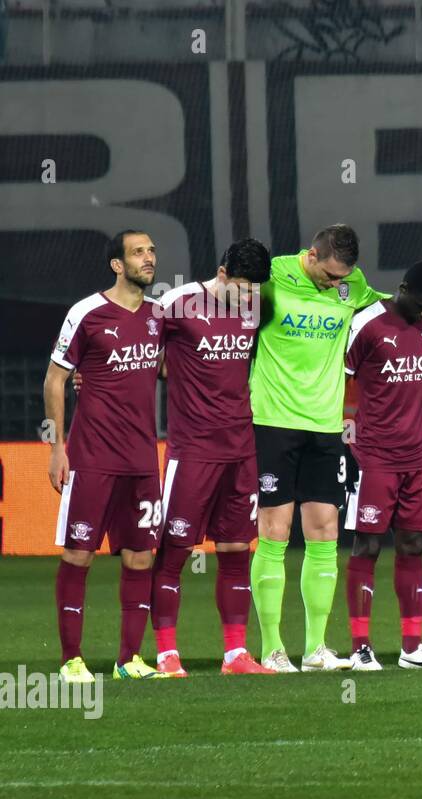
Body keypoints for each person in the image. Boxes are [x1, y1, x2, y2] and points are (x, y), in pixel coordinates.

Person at [248, 224, 386, 673]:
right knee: (274, 530)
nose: (334, 284)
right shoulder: (270, 275)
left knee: (325, 531)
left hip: (325, 428)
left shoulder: (353, 285)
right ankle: (271, 649)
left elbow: (386, 311)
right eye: (328, 275)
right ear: (311, 255)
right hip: (272, 422)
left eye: (340, 278)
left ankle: (315, 649)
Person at [44, 229, 169, 682]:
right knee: (79, 554)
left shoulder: (160, 317)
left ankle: (128, 659)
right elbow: (55, 379)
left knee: (141, 556)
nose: (149, 258)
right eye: (138, 252)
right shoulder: (87, 312)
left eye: (151, 251)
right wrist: (57, 446)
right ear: (117, 264)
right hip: (92, 457)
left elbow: (169, 369)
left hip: (141, 460)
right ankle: (70, 659)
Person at [150, 239, 277, 676]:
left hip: (241, 449)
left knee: (237, 548)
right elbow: (138, 346)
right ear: (222, 274)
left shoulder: (256, 307)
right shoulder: (178, 303)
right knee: (175, 550)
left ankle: (235, 655)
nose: (248, 299)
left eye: (254, 291)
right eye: (241, 288)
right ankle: (167, 654)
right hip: (193, 451)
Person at [343, 260, 422, 670]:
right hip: (374, 455)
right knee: (367, 546)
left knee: (413, 545)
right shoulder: (367, 325)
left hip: (418, 456)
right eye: (420, 302)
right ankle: (361, 647)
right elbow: (335, 379)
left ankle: (412, 649)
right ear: (401, 288)